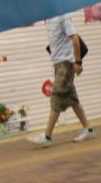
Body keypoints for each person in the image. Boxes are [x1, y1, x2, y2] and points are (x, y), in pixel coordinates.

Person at [31, 13, 95, 146]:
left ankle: (47, 137)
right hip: (58, 64)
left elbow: (75, 38)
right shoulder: (47, 17)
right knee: (73, 100)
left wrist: (78, 62)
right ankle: (88, 129)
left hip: (66, 64)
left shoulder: (63, 16)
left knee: (56, 97)